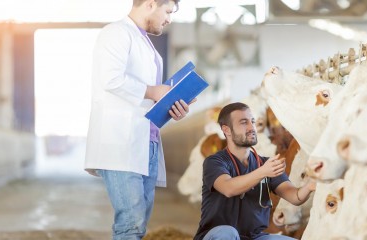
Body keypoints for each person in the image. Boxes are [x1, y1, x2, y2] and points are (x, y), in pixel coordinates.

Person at [84, 0, 188, 239]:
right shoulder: (116, 33)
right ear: (151, 4)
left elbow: (145, 98)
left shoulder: (145, 43)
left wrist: (173, 105)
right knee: (131, 223)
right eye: (168, 12)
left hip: (146, 143)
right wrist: (154, 91)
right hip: (120, 141)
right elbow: (110, 79)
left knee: (138, 225)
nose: (169, 19)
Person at [194, 102, 316, 240]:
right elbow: (228, 188)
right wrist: (263, 172)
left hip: (254, 237)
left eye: (252, 121)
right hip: (218, 235)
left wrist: (310, 185)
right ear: (227, 130)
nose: (252, 127)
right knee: (227, 233)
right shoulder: (215, 162)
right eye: (244, 122)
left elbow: (295, 197)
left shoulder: (265, 164)